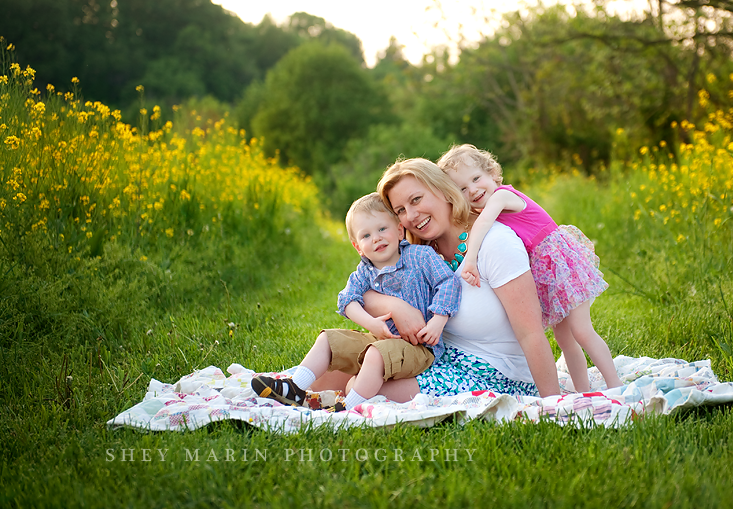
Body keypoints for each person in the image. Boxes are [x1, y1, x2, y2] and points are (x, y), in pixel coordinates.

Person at [359, 157, 561, 401]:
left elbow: (531, 334)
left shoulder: (495, 242)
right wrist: (395, 306)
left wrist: (553, 403)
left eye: (416, 200)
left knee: (362, 389)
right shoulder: (420, 254)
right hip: (438, 359)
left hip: (497, 374)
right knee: (343, 367)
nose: (411, 215)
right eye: (401, 210)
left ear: (444, 191)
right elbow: (361, 290)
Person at [437, 144, 623, 392]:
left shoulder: (501, 196)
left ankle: (615, 384)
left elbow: (481, 223)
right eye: (462, 188)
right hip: (548, 274)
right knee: (564, 339)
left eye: (476, 178)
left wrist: (469, 259)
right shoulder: (485, 204)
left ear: (492, 173)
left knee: (582, 330)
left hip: (562, 267)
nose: (472, 190)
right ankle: (583, 391)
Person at [251, 193, 460, 410]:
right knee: (328, 339)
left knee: (375, 354)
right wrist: (371, 324)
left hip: (419, 348)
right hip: (377, 338)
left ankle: (347, 408)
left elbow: (448, 282)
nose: (376, 238)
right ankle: (294, 388)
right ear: (357, 246)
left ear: (399, 230)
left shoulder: (420, 256)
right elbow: (347, 300)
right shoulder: (365, 271)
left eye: (382, 229)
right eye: (366, 235)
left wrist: (438, 320)